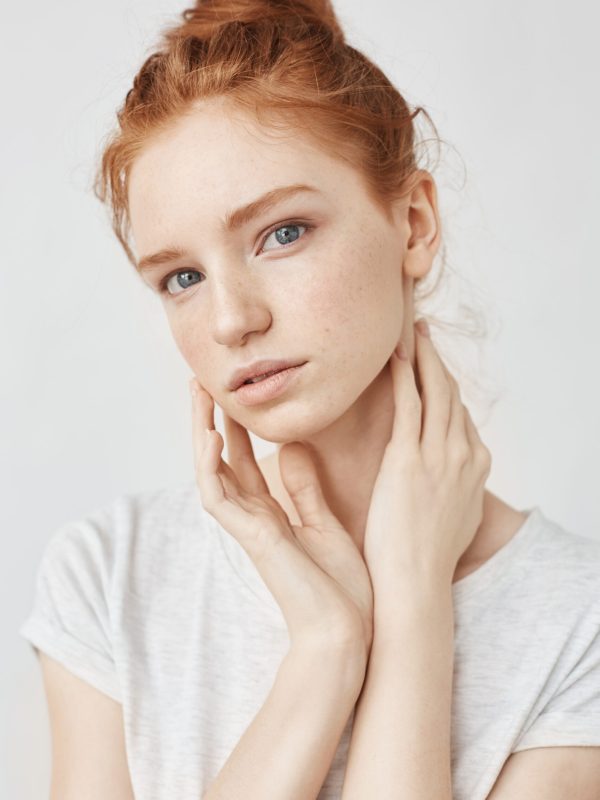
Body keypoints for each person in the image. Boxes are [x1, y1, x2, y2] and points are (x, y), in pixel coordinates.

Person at [19, 1, 600, 798]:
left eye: (282, 233)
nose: (232, 320)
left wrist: (414, 604)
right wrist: (326, 648)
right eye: (181, 278)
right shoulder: (111, 578)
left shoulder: (578, 622)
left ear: (415, 223)